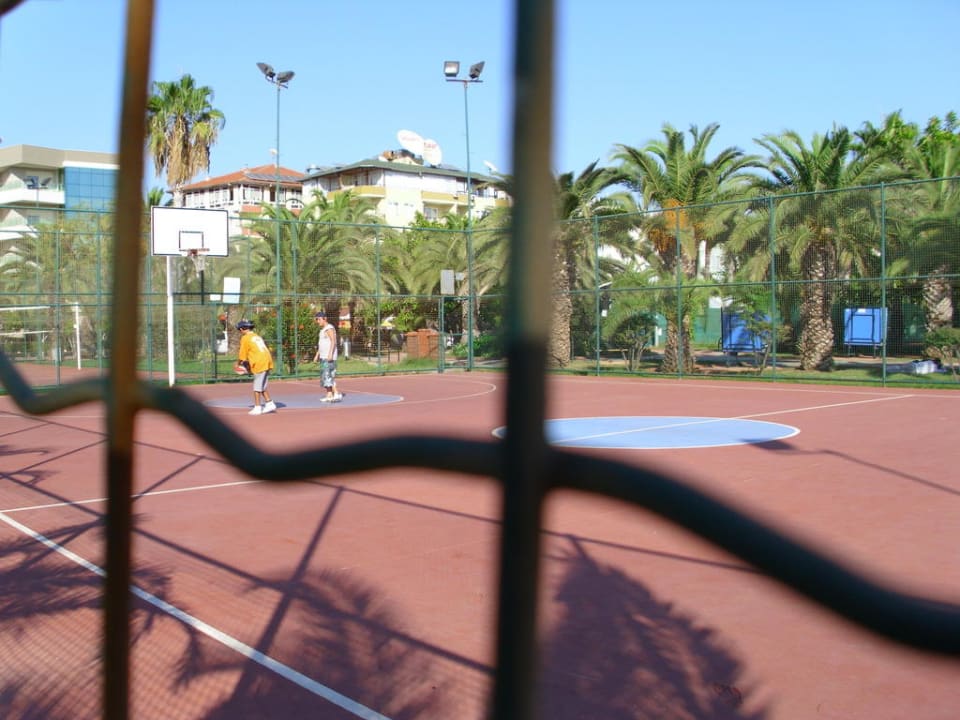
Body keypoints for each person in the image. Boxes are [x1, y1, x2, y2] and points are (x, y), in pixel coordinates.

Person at [235, 319, 277, 415]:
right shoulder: (256, 336)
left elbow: (242, 355)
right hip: (267, 360)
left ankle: (257, 407)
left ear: (241, 329)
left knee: (256, 387)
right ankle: (269, 403)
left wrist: (238, 364)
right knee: (261, 385)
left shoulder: (245, 338)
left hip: (259, 362)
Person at [313, 310, 342, 402]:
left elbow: (333, 341)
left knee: (327, 375)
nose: (317, 321)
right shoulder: (322, 330)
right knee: (326, 375)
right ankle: (334, 394)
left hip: (328, 357)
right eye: (316, 319)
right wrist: (317, 355)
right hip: (323, 356)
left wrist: (330, 354)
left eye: (319, 319)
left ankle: (331, 394)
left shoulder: (329, 328)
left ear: (324, 318)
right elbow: (321, 344)